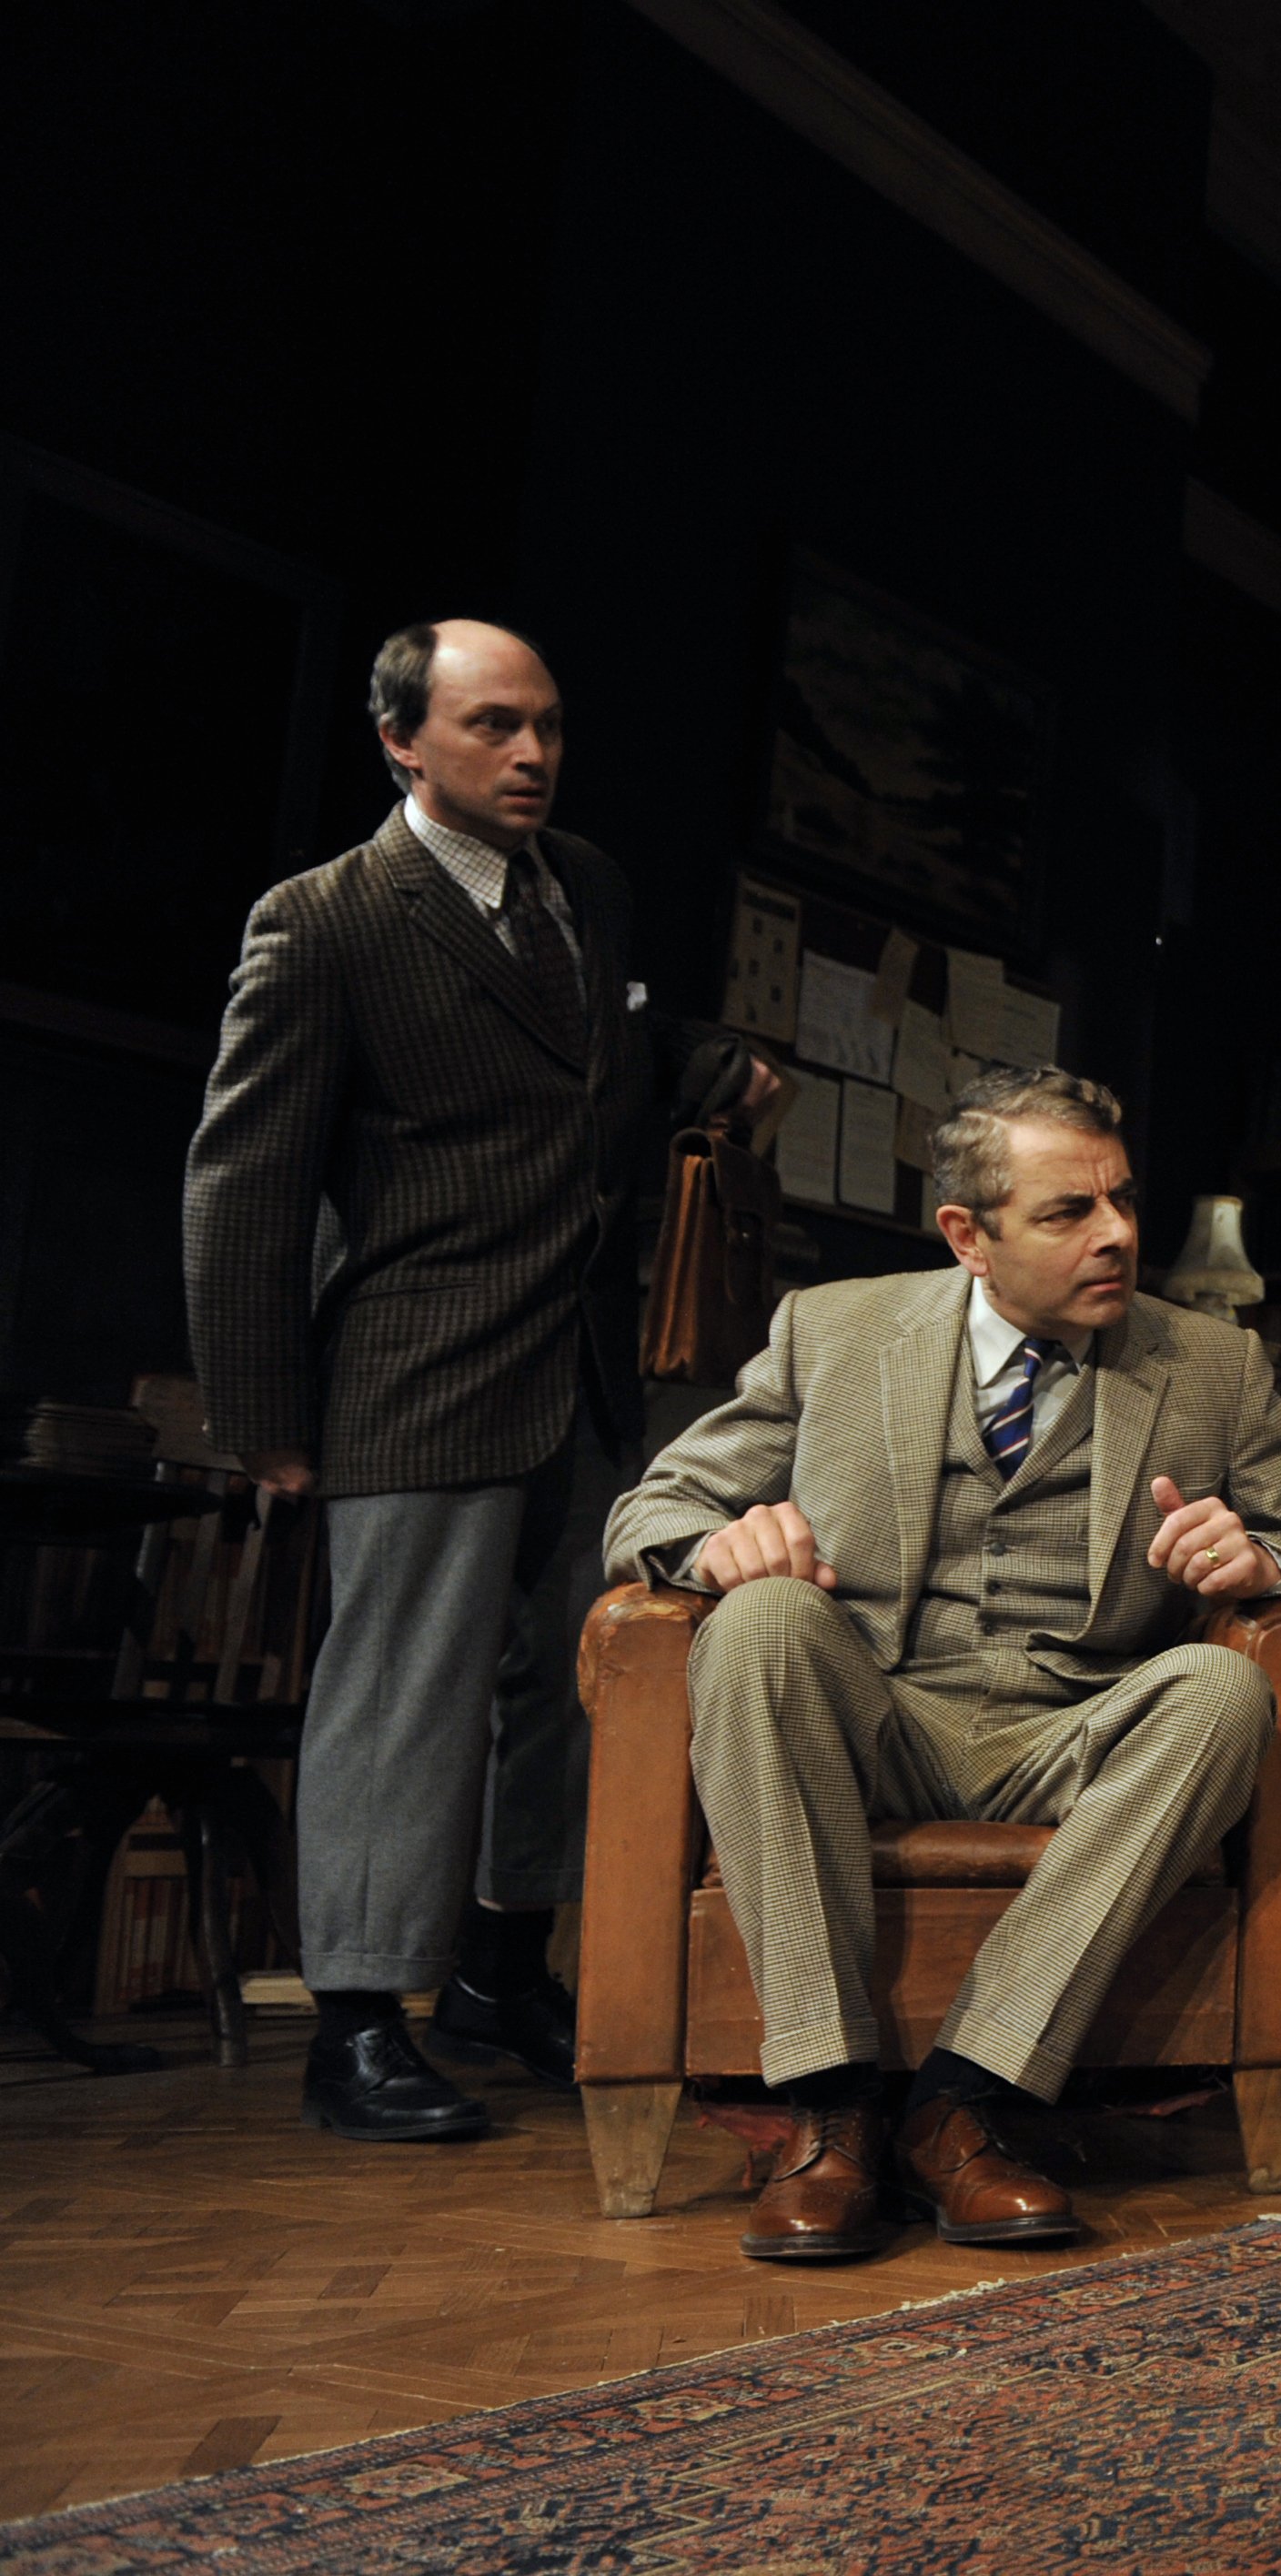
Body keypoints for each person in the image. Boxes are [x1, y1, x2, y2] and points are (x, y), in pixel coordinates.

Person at [602, 1069, 1281, 2263]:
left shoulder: (1212, 1364)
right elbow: (649, 1507)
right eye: (1070, 1213)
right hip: (879, 1716)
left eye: (1122, 1199)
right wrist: (715, 1542)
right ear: (968, 1235)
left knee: (1226, 1690)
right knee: (756, 1622)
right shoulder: (836, 1331)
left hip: (1072, 1733)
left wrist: (1264, 1558)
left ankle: (965, 2100)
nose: (1118, 1234)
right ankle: (832, 2106)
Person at [186, 619, 765, 2144]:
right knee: (405, 1700)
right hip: (418, 1363)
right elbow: (244, 1179)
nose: (532, 756)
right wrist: (266, 1421)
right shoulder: (327, 921)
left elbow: (597, 1061)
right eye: (495, 727)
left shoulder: (590, 887)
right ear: (402, 742)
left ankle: (509, 1971)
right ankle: (363, 2022)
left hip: (584, 1363)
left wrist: (701, 1061)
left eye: (549, 727)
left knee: (576, 1689)